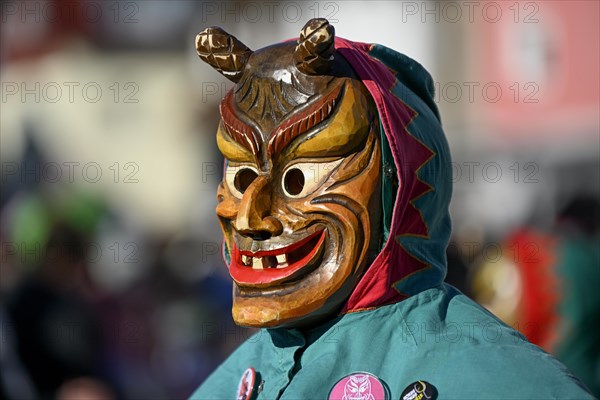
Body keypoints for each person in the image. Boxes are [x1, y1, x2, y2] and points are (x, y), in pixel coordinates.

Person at [190, 18, 593, 399]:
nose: (249, 217)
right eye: (241, 178)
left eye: (300, 179)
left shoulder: (500, 382)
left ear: (401, 182)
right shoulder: (228, 384)